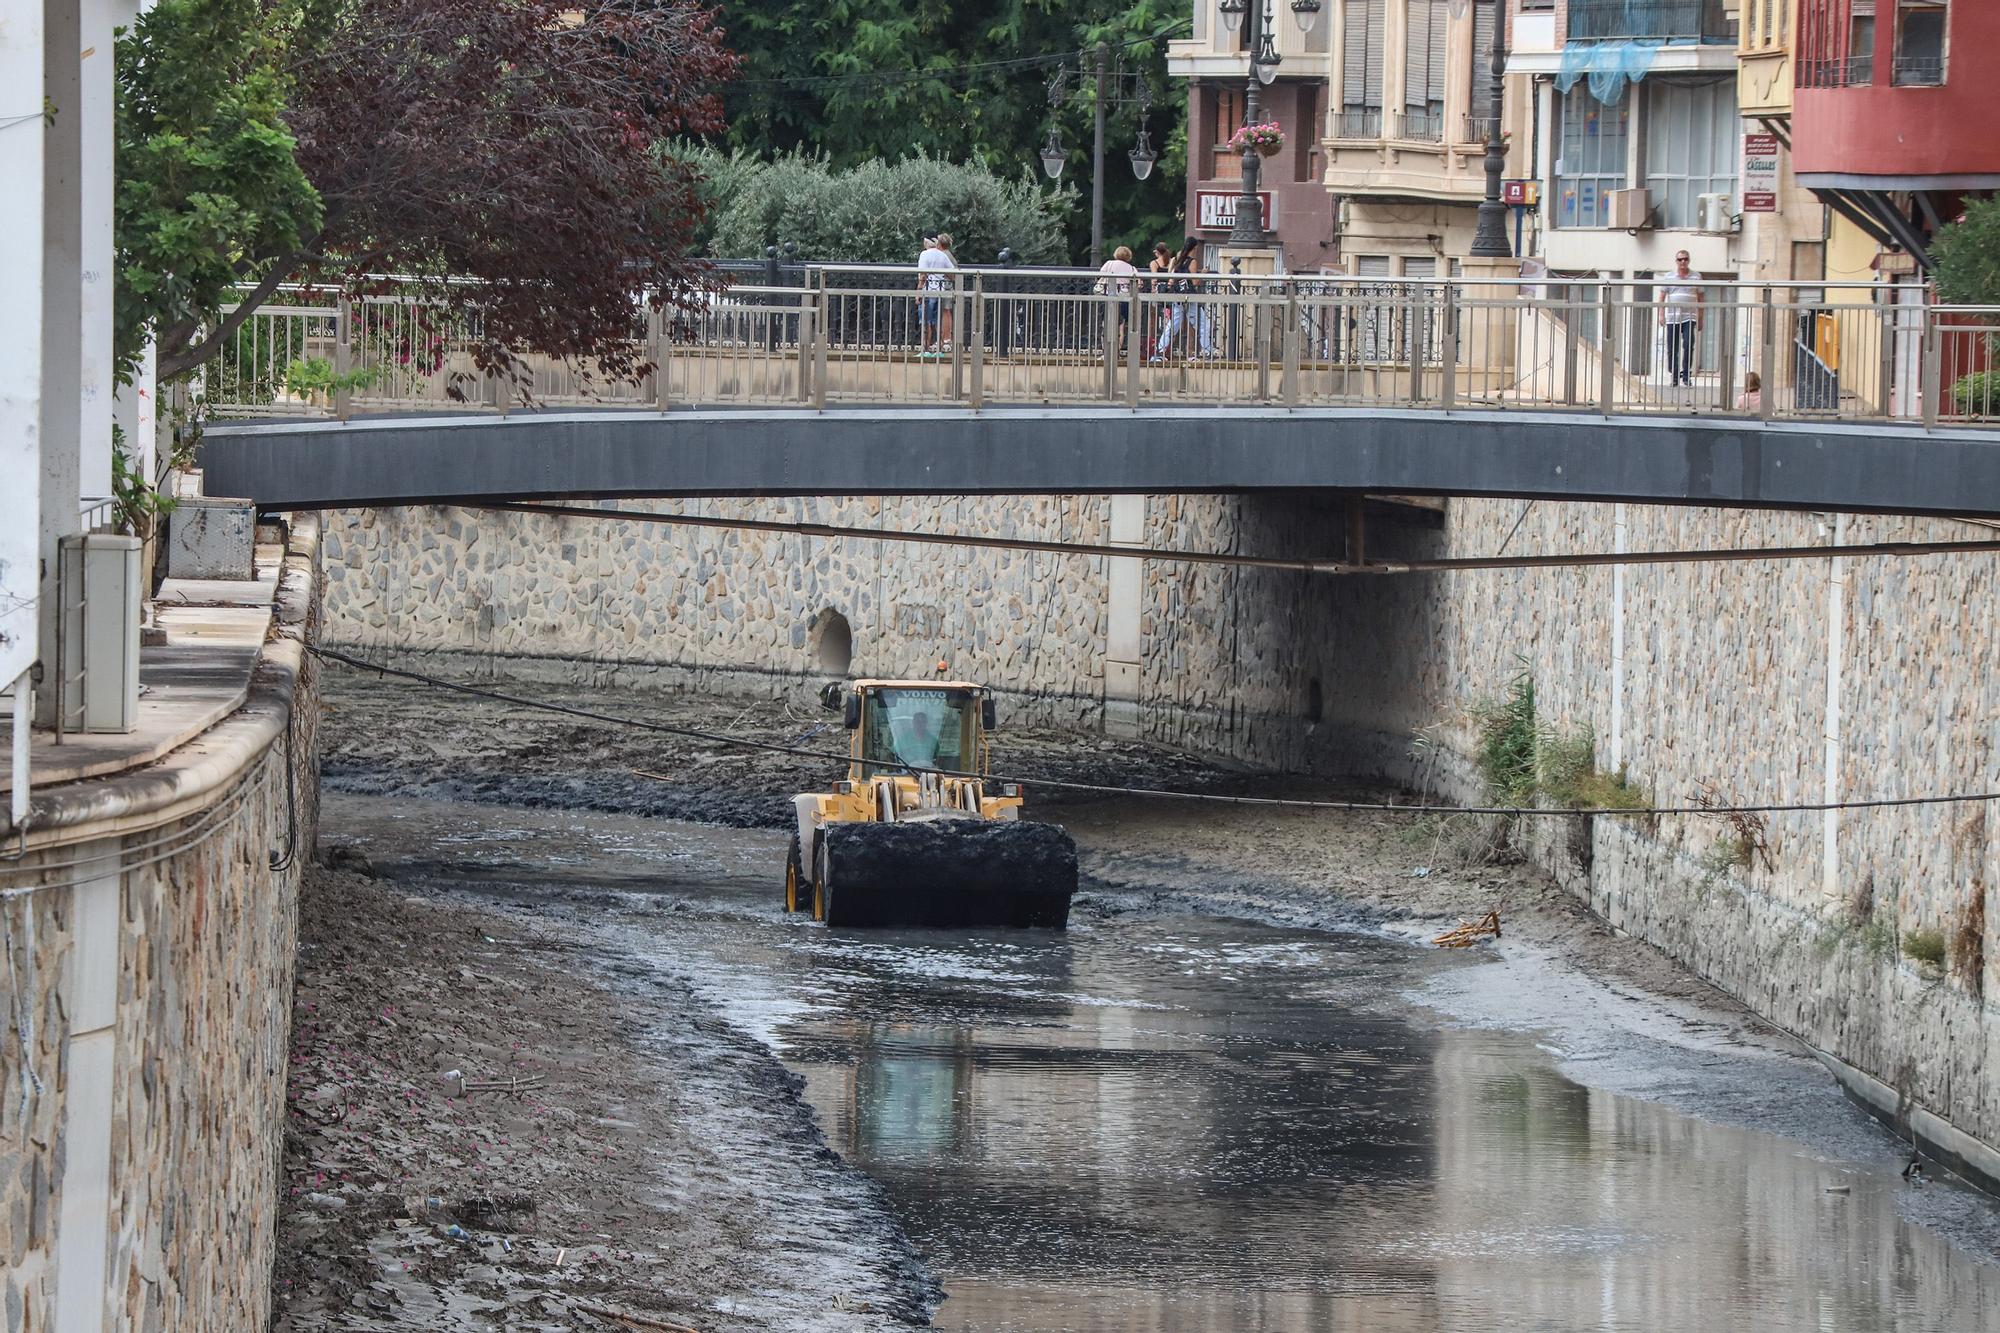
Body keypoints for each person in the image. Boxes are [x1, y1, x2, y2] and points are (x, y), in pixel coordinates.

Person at [1155, 238, 1214, 360]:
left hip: (1178, 297)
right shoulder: (1192, 262)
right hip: (1190, 298)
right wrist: (1203, 273)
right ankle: (1207, 351)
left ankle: (1160, 350)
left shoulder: (1178, 261)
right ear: (1195, 248)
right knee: (1202, 324)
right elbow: (1195, 282)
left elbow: (1172, 279)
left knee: (1173, 325)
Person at [1658, 250, 1703, 387]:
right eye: (1680, 259)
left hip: (1689, 317)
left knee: (1688, 345)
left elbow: (1701, 298)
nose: (1683, 262)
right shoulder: (1669, 276)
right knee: (1672, 347)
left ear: (1689, 260)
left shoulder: (1696, 277)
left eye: (1685, 259)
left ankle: (1686, 375)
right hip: (1673, 317)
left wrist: (1701, 318)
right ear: (1676, 261)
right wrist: (1661, 314)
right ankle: (1674, 375)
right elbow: (1662, 297)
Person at [917, 231, 957, 357]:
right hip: (939, 291)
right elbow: (953, 275)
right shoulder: (942, 255)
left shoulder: (924, 255)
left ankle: (926, 349)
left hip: (927, 291)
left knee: (925, 321)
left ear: (926, 242)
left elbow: (922, 275)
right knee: (937, 320)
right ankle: (939, 350)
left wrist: (918, 292)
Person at [1097, 245, 1139, 353]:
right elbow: (1138, 282)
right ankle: (1117, 351)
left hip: (1109, 296)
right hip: (1124, 298)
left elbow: (1100, 274)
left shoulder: (1109, 263)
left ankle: (1106, 352)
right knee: (1121, 326)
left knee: (1106, 324)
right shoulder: (1132, 268)